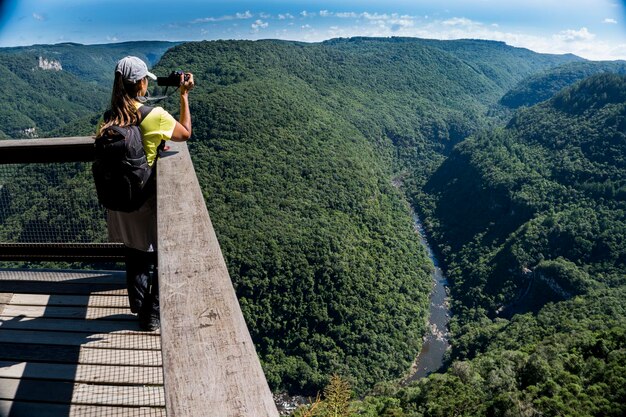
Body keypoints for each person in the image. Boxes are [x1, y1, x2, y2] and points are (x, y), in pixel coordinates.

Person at [96, 56, 194, 330]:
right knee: (163, 255)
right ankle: (151, 316)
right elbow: (185, 133)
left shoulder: (109, 118)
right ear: (140, 83)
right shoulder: (155, 115)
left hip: (118, 203)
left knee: (135, 253)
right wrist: (184, 96)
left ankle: (138, 306)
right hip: (143, 201)